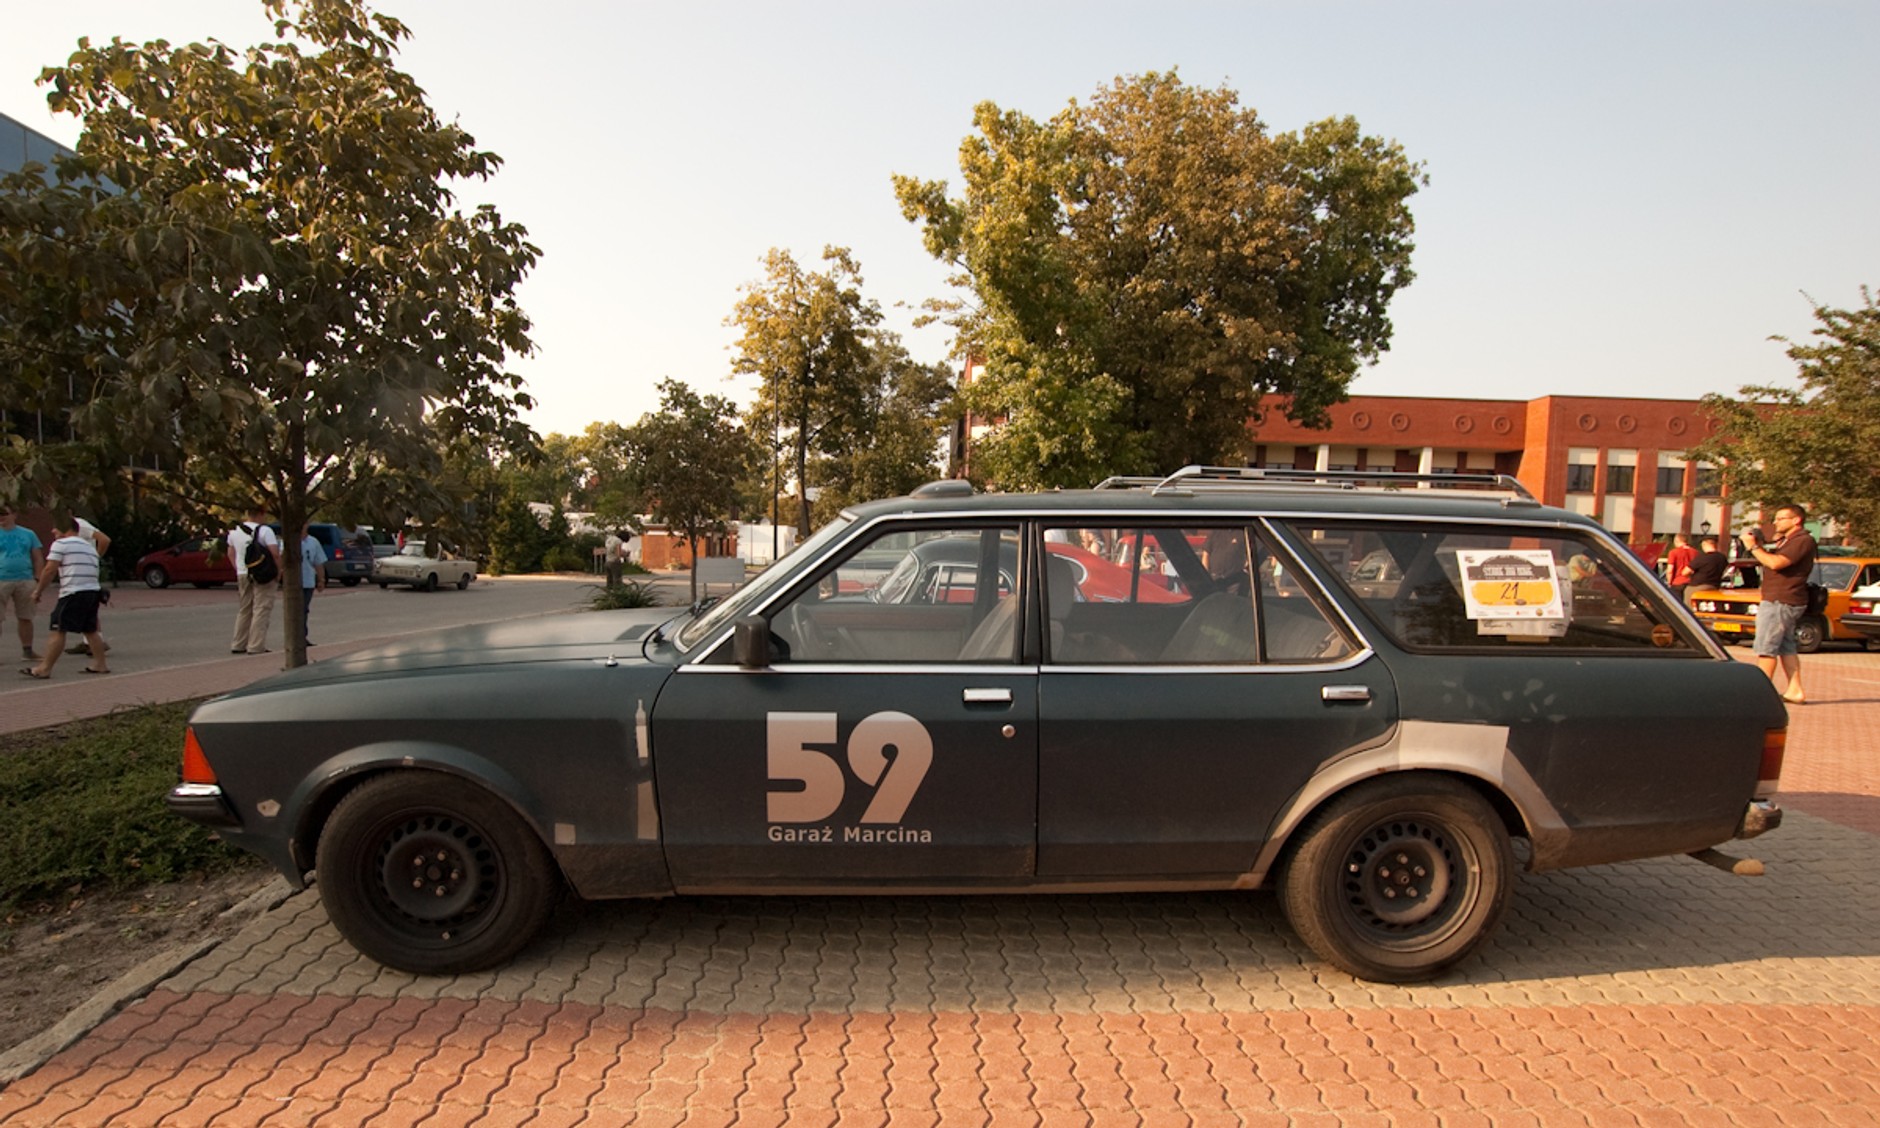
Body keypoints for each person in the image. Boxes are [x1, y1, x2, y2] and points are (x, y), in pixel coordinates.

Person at [1739, 504, 1817, 705]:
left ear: (1796, 520)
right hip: (1784, 599)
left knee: (1767, 647)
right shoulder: (1788, 541)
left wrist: (1754, 547)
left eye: (1781, 518)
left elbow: (1776, 563)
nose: (1775, 522)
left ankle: (1759, 694)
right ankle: (1795, 690)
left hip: (1781, 600)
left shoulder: (1802, 540)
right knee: (1786, 647)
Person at [21, 513, 109, 678]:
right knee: (90, 629)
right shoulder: (88, 546)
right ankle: (100, 664)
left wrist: (38, 591)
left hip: (73, 592)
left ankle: (44, 668)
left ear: (66, 528)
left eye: (56, 527)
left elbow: (50, 569)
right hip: (92, 591)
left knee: (58, 629)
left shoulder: (61, 544)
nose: (53, 531)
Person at [228, 506, 282, 655]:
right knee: (261, 608)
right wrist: (279, 571)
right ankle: (256, 645)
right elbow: (275, 554)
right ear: (261, 514)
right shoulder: (265, 531)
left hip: (243, 573)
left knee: (245, 609)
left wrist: (238, 568)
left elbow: (230, 553)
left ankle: (238, 643)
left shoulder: (234, 532)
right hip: (262, 573)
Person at [64, 514, 113, 657]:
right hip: (75, 572)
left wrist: (95, 558)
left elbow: (104, 539)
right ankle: (88, 641)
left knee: (86, 604)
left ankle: (96, 641)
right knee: (84, 606)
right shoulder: (63, 526)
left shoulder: (80, 524)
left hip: (84, 573)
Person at [0, 504, 45, 661]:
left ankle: (28, 650)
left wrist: (38, 578)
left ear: (14, 514)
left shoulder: (28, 534)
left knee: (26, 616)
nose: (1, 517)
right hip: (1, 579)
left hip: (25, 579)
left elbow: (38, 557)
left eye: (4, 513)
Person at [298, 522, 328, 648]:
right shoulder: (289, 541)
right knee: (297, 610)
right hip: (295, 582)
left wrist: (321, 580)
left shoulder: (313, 542)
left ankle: (302, 636)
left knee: (304, 610)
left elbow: (318, 562)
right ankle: (296, 636)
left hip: (308, 581)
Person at [1666, 533, 1697, 604]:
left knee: (1677, 604)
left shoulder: (1673, 552)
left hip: (1677, 582)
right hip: (1691, 583)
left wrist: (1669, 582)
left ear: (1676, 541)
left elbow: (1670, 570)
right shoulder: (1696, 552)